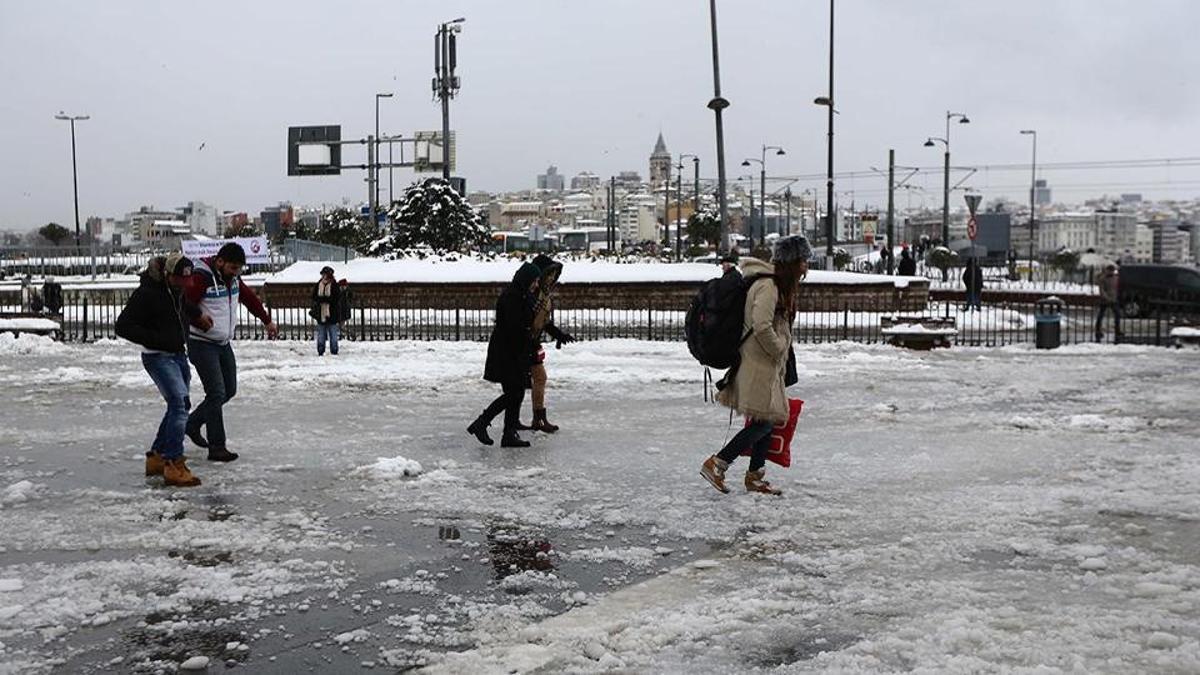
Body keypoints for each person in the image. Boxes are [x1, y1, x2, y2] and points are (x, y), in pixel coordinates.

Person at [700, 234, 810, 496]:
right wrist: (779, 348)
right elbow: (761, 325)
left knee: (768, 420)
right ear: (792, 261)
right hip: (760, 363)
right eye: (803, 260)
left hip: (766, 365)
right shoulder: (769, 287)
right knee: (762, 424)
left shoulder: (774, 285)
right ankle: (717, 463)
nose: (807, 265)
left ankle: (755, 476)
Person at [115, 254, 209, 487]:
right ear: (167, 275)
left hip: (178, 354)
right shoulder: (146, 293)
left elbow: (180, 305)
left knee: (179, 405)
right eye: (180, 281)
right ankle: (173, 462)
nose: (185, 286)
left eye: (187, 281)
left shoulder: (174, 290)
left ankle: (157, 456)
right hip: (157, 357)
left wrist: (197, 315)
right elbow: (123, 326)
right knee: (179, 404)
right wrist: (156, 340)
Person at [183, 243, 278, 462]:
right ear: (220, 262)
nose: (236, 273)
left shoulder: (232, 278)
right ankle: (217, 447)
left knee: (229, 390)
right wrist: (198, 318)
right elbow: (184, 303)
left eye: (239, 269)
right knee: (216, 393)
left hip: (222, 343)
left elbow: (249, 299)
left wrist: (267, 321)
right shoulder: (201, 277)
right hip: (202, 342)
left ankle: (193, 423)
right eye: (233, 268)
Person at [468, 262, 541, 448]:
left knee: (515, 393)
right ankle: (482, 423)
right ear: (527, 279)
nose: (536, 285)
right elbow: (515, 327)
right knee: (514, 393)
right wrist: (528, 341)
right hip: (507, 352)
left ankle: (508, 433)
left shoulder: (522, 295)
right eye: (535, 280)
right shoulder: (512, 297)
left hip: (513, 351)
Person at [518, 254, 575, 433]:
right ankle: (529, 419)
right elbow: (526, 321)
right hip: (524, 344)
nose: (551, 278)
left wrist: (558, 335)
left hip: (530, 343)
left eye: (553, 275)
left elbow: (544, 321)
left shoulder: (542, 294)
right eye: (548, 275)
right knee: (524, 383)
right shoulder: (531, 294)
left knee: (536, 379)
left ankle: (537, 418)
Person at [311, 266, 342, 356]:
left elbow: (336, 298)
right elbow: (314, 296)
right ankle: (320, 350)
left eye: (325, 274)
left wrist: (325, 299)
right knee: (321, 334)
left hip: (332, 313)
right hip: (321, 313)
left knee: (333, 334)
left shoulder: (334, 285)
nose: (323, 276)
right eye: (322, 274)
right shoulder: (319, 284)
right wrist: (321, 300)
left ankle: (334, 350)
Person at [1095, 264, 1122, 341]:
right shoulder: (1102, 278)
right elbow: (1102, 290)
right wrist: (1107, 298)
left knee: (1117, 315)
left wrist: (1116, 297)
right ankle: (1098, 331)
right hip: (1105, 300)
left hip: (1114, 299)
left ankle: (1117, 330)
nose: (1111, 272)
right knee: (1101, 315)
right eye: (1109, 270)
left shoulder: (1116, 278)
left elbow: (1117, 288)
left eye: (1112, 270)